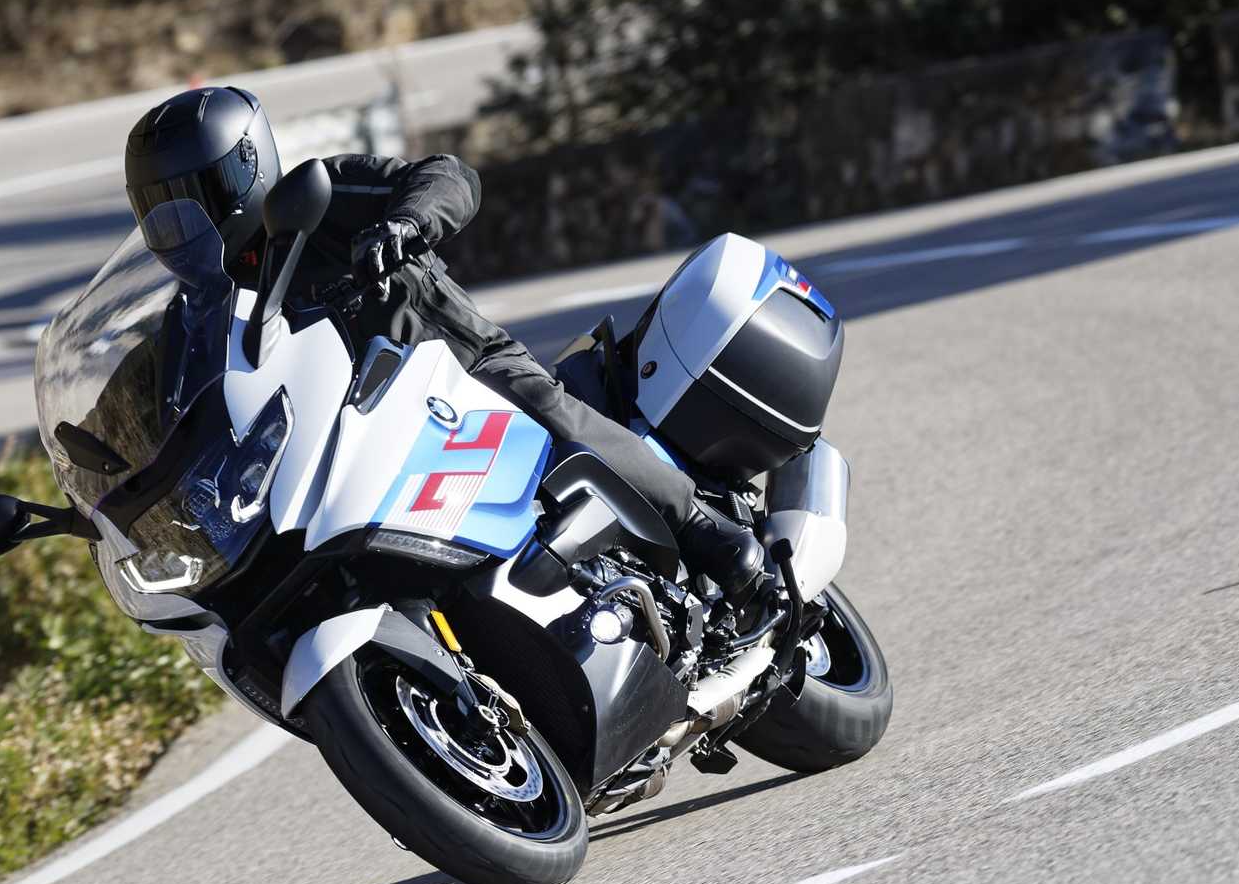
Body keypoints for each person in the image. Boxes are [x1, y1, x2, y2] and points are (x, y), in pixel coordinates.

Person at [123, 86, 763, 598]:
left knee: (552, 417)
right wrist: (111, 483)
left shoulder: (321, 197)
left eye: (191, 206)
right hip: (352, 452)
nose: (180, 233)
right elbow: (164, 408)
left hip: (461, 375)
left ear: (247, 168)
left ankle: (700, 525)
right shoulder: (196, 315)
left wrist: (405, 224)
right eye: (160, 215)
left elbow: (448, 175)